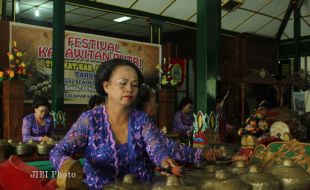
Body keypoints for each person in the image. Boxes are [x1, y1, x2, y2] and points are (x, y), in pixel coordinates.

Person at [50, 59, 183, 189]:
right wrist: (66, 164)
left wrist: (163, 158)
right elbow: (58, 150)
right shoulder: (90, 120)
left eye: (134, 85)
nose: (129, 89)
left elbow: (155, 145)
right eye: (123, 83)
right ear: (106, 86)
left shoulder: (142, 119)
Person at [134, 85, 217, 164]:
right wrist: (199, 153)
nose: (157, 105)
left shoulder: (141, 122)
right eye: (155, 101)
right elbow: (171, 147)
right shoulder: (147, 125)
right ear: (145, 105)